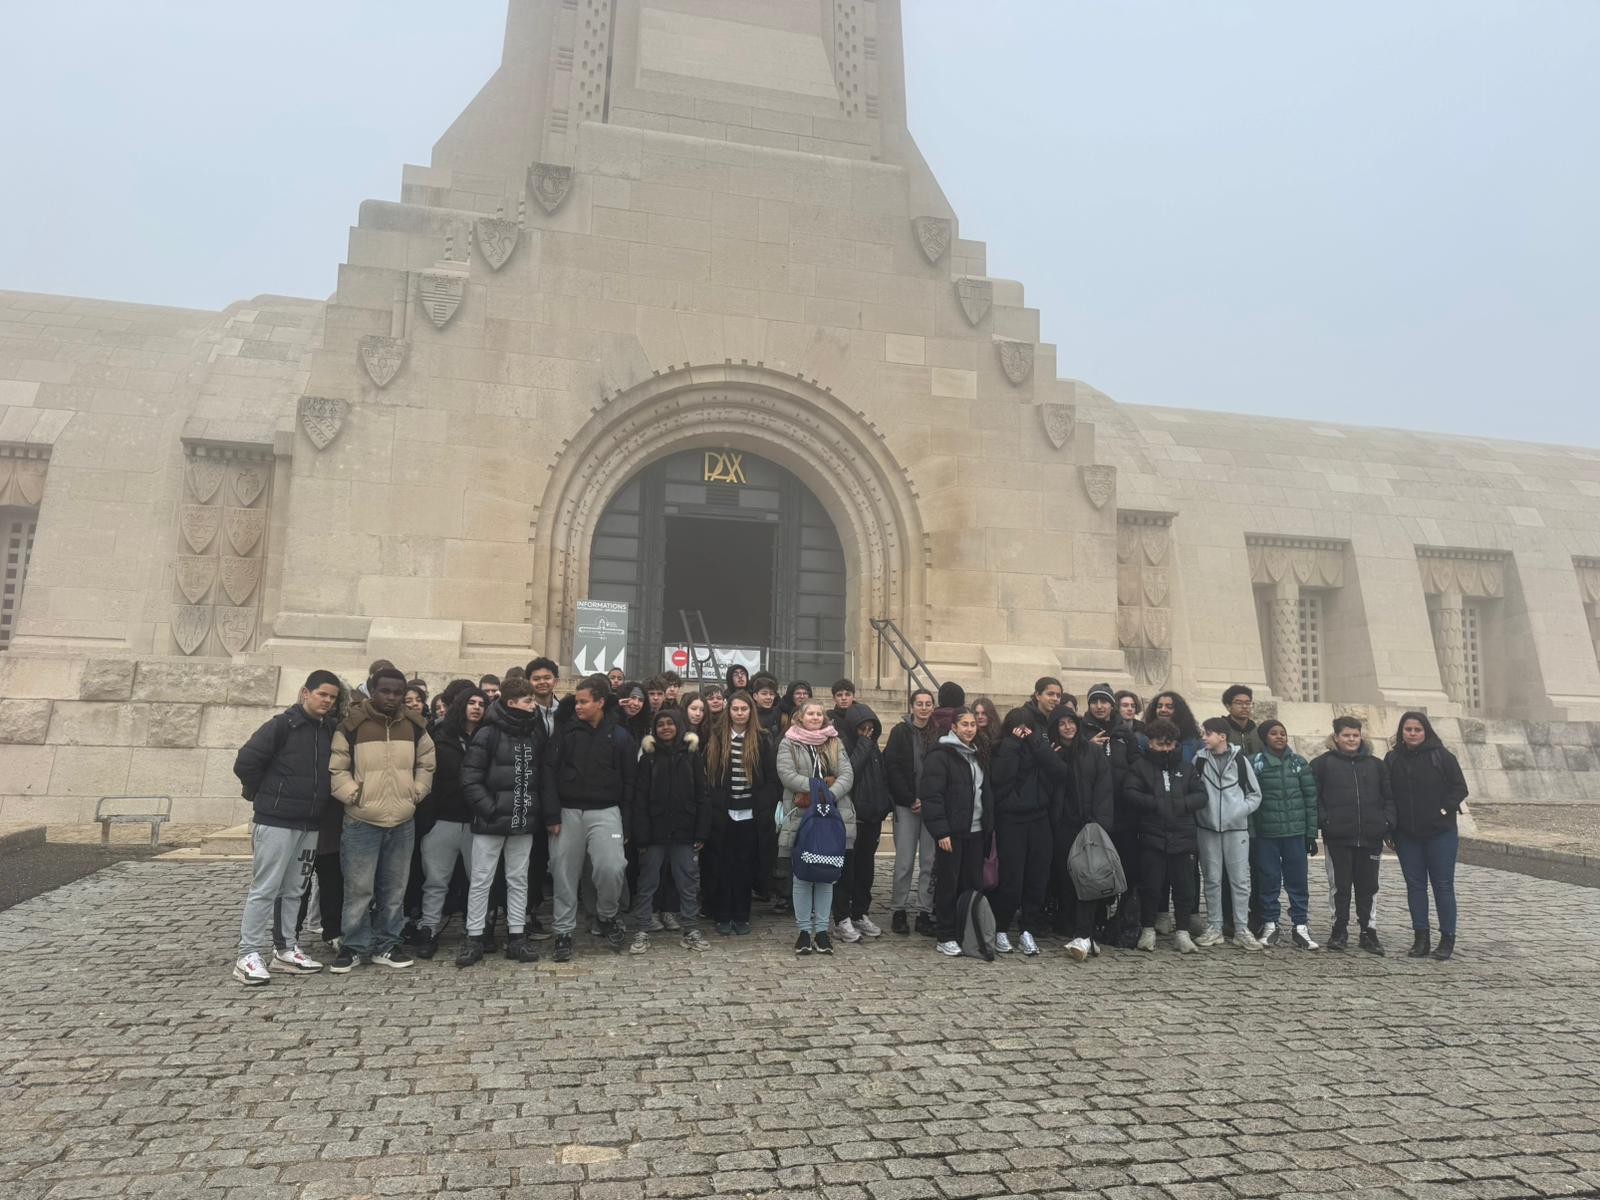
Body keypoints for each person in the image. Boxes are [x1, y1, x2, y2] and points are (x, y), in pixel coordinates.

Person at [230, 669, 344, 985]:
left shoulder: (329, 730)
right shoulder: (281, 726)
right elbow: (246, 763)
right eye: (322, 694)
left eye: (332, 697)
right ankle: (248, 954)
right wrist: (269, 794)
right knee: (265, 887)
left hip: (310, 823)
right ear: (306, 693)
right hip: (276, 820)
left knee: (295, 889)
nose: (327, 701)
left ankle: (285, 949)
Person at [328, 668, 436, 973]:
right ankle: (354, 945)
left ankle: (387, 943)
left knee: (394, 889)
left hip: (402, 820)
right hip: (362, 820)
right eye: (385, 691)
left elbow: (427, 762)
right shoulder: (351, 724)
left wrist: (417, 791)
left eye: (397, 692)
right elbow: (338, 768)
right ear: (372, 691)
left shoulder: (415, 725)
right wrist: (353, 795)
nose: (391, 697)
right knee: (359, 888)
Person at [543, 677, 635, 961]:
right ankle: (563, 932)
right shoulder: (565, 733)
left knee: (612, 867)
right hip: (567, 812)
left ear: (600, 702)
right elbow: (548, 773)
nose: (578, 706)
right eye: (577, 702)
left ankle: (607, 915)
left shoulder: (620, 736)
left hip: (606, 811)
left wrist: (627, 822)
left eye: (584, 702)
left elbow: (630, 783)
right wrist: (552, 814)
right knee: (563, 873)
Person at [456, 678, 544, 967]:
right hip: (491, 821)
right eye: (528, 701)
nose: (533, 705)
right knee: (481, 879)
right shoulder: (488, 733)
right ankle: (475, 936)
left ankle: (517, 935)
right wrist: (490, 809)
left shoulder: (533, 732)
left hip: (522, 820)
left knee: (518, 879)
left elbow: (540, 775)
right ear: (512, 702)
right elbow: (470, 777)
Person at [1385, 711, 1468, 961]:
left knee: (1442, 885)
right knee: (1415, 886)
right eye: (1408, 729)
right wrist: (1390, 828)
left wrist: (1443, 810)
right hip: (1407, 835)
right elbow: (1387, 794)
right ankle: (1421, 937)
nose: (1412, 734)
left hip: (1440, 832)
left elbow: (1460, 788)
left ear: (1426, 731)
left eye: (1417, 729)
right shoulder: (1392, 758)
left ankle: (1447, 938)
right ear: (1401, 732)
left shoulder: (1442, 756)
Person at [412, 686, 486, 960]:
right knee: (435, 880)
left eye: (481, 703)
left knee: (478, 880)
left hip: (477, 821)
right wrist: (428, 819)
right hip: (443, 819)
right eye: (471, 702)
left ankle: (476, 931)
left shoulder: (489, 736)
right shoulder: (439, 734)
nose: (476, 707)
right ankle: (429, 928)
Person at [776, 699, 855, 955]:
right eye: (810, 713)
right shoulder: (789, 742)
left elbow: (847, 775)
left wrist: (828, 794)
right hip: (801, 816)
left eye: (819, 714)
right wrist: (818, 786)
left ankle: (821, 931)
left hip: (832, 814)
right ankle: (803, 931)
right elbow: (787, 774)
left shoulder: (834, 741)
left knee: (825, 873)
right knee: (802, 875)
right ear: (800, 716)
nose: (815, 717)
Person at [629, 707, 710, 954]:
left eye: (670, 723)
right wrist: (641, 834)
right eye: (660, 724)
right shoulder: (648, 759)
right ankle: (643, 928)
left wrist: (701, 832)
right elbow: (639, 799)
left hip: (685, 830)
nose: (665, 728)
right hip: (654, 832)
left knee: (688, 882)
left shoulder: (692, 756)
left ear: (679, 726)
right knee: (648, 882)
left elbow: (702, 795)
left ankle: (690, 929)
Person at [1313, 716, 1394, 954]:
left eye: (1355, 735)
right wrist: (1325, 821)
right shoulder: (1321, 764)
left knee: (1369, 887)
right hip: (1338, 836)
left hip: (1370, 835)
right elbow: (1314, 799)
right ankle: (1339, 930)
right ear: (1336, 737)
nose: (1351, 739)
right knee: (1339, 887)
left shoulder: (1376, 765)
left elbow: (1389, 797)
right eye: (1346, 735)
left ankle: (1369, 931)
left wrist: (1386, 822)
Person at [989, 706, 1065, 956]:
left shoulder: (1040, 748)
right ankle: (1001, 928)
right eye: (1018, 729)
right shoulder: (1001, 748)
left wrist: (1037, 745)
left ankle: (1027, 929)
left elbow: (1059, 771)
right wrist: (1012, 745)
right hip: (1011, 820)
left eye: (1027, 729)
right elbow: (1000, 777)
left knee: (1037, 877)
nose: (1023, 734)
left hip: (1039, 819)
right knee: (1011, 878)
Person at [1124, 718, 1204, 954]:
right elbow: (1130, 792)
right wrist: (1154, 803)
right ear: (1150, 744)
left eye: (1169, 744)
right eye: (1160, 744)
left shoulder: (1186, 768)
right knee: (1152, 885)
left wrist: (1182, 804)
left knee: (1185, 887)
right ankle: (1148, 929)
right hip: (1152, 834)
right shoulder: (1140, 767)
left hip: (1182, 834)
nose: (1165, 749)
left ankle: (1182, 932)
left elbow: (1201, 794)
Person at [921, 707, 992, 958]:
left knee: (972, 884)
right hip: (952, 832)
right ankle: (946, 935)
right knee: (948, 885)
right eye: (965, 724)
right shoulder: (940, 755)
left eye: (973, 724)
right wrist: (941, 831)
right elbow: (932, 796)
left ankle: (967, 932)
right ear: (954, 727)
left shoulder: (978, 754)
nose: (970, 729)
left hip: (976, 830)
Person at [1190, 717, 1265, 951]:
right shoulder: (1199, 760)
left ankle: (1241, 929)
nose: (1204, 737)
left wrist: (1238, 811)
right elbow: (1192, 790)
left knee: (1240, 881)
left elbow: (1255, 794)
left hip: (1236, 829)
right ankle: (1215, 926)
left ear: (1222, 736)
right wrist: (1203, 813)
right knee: (1212, 879)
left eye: (1208, 733)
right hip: (1207, 829)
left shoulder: (1240, 760)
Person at [1048, 706, 1115, 960]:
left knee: (1088, 876)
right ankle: (1083, 933)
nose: (1068, 727)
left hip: (1089, 825)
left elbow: (1104, 789)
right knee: (1067, 878)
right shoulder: (1053, 753)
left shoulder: (1092, 752)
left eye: (1071, 722)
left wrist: (1100, 824)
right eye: (1062, 723)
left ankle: (1083, 934)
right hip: (1062, 824)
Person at [705, 691, 772, 934]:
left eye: (744, 709)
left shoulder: (762, 738)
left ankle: (741, 915)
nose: (740, 713)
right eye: (735, 709)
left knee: (744, 865)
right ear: (729, 711)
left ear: (751, 711)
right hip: (723, 812)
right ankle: (722, 914)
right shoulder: (717, 736)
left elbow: (769, 777)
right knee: (723, 864)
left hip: (749, 813)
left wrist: (763, 806)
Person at [1249, 719, 1320, 950]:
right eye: (1273, 733)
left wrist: (1311, 833)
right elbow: (1250, 799)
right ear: (1264, 737)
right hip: (1267, 834)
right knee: (1268, 880)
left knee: (1298, 881)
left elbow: (1310, 799)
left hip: (1295, 834)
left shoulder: (1299, 763)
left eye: (1283, 733)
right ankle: (1270, 924)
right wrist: (1252, 834)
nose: (1279, 737)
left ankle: (1300, 925)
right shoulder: (1255, 763)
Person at [1080, 682, 1142, 947]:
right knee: (1095, 868)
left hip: (1123, 812)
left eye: (1103, 701)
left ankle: (1123, 921)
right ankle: (1095, 920)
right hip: (1094, 813)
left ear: (1111, 705)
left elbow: (1136, 764)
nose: (1099, 706)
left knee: (1127, 867)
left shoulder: (1124, 733)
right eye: (1094, 701)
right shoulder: (1081, 730)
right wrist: (1087, 746)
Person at [833, 704, 889, 942]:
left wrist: (886, 803)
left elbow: (882, 777)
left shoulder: (874, 747)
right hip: (852, 816)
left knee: (866, 870)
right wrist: (864, 744)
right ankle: (842, 917)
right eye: (862, 728)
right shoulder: (843, 744)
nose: (867, 732)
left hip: (873, 816)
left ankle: (859, 912)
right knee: (847, 870)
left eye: (870, 729)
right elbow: (850, 773)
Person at [885, 688, 937, 936]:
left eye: (928, 703)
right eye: (920, 703)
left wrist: (928, 799)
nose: (924, 708)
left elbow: (940, 770)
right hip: (906, 806)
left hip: (931, 806)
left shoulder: (939, 734)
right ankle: (899, 909)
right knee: (904, 862)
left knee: (929, 861)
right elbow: (892, 766)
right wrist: (909, 798)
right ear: (911, 706)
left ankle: (925, 911)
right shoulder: (900, 732)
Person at [1142, 692, 1202, 763]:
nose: (1163, 709)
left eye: (1169, 707)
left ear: (1179, 711)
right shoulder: (1144, 739)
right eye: (1159, 706)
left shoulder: (1194, 742)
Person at [1220, 685, 1262, 756]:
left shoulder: (1258, 731)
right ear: (1228, 706)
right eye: (1239, 703)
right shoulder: (1220, 731)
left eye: (1248, 703)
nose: (1244, 706)